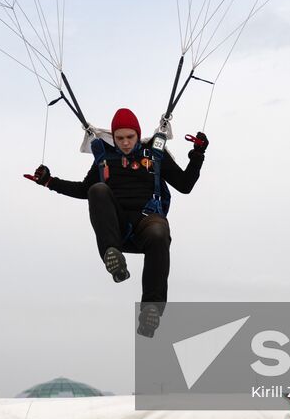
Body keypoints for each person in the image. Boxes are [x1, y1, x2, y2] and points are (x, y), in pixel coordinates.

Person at [28, 108, 207, 337]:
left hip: (146, 223)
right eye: (119, 138)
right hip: (117, 229)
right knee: (98, 189)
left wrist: (198, 154)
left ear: (137, 134)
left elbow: (185, 184)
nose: (124, 143)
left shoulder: (154, 155)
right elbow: (84, 190)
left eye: (130, 137)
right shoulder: (105, 160)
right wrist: (50, 182)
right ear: (113, 137)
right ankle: (113, 258)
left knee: (159, 230)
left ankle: (151, 311)